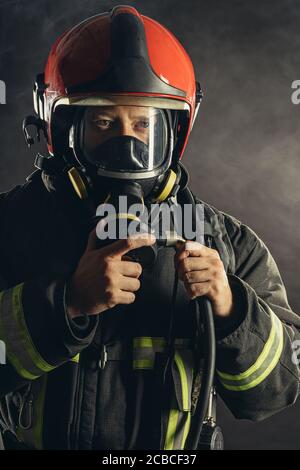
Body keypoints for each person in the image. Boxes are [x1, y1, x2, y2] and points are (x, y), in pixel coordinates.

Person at [0, 5, 300, 451]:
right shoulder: (11, 227)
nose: (129, 146)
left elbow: (273, 393)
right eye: (103, 122)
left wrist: (232, 307)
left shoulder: (226, 245)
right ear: (60, 128)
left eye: (144, 124)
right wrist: (66, 305)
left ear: (175, 130)